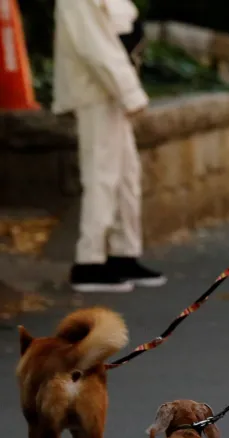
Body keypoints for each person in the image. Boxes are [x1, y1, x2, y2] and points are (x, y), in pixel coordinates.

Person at [54, 0, 166, 293]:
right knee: (101, 174)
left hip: (110, 91)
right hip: (95, 92)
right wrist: (130, 92)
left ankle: (123, 253)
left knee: (126, 175)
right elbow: (95, 47)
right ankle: (89, 260)